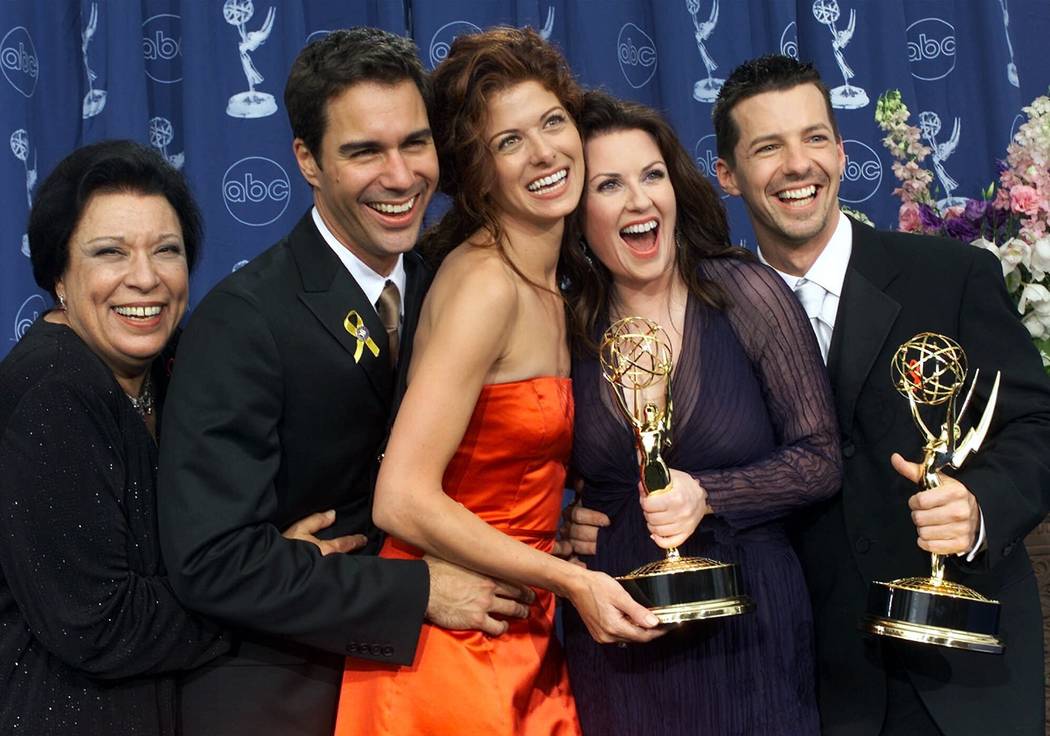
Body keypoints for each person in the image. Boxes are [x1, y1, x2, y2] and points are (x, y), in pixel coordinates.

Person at [157, 29, 533, 736]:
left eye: (415, 144)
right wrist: (416, 589)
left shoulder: (448, 290)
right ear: (308, 160)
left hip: (442, 689)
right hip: (283, 695)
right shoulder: (242, 320)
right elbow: (211, 561)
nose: (400, 176)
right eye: (365, 151)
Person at [333, 28, 662, 736]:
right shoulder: (486, 284)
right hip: (450, 652)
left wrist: (559, 535)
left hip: (519, 624)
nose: (544, 152)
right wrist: (570, 578)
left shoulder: (558, 282)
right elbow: (401, 497)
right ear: (477, 174)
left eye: (551, 122)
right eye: (509, 141)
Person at [711, 55, 1050, 735]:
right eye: (767, 147)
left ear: (840, 152)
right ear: (727, 175)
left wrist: (982, 505)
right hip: (813, 687)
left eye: (812, 138)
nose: (796, 165)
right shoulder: (714, 319)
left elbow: (1038, 424)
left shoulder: (951, 276)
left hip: (963, 676)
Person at [555, 89, 841, 735]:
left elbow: (821, 459)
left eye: (652, 175)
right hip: (621, 643)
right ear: (576, 212)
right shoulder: (564, 324)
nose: (639, 200)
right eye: (609, 185)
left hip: (751, 634)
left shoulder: (742, 291)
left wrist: (707, 494)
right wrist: (557, 526)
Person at [0, 140, 228, 735]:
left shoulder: (174, 370)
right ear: (59, 274)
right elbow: (99, 622)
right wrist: (269, 593)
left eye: (167, 251)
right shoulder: (51, 390)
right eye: (110, 253)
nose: (146, 279)